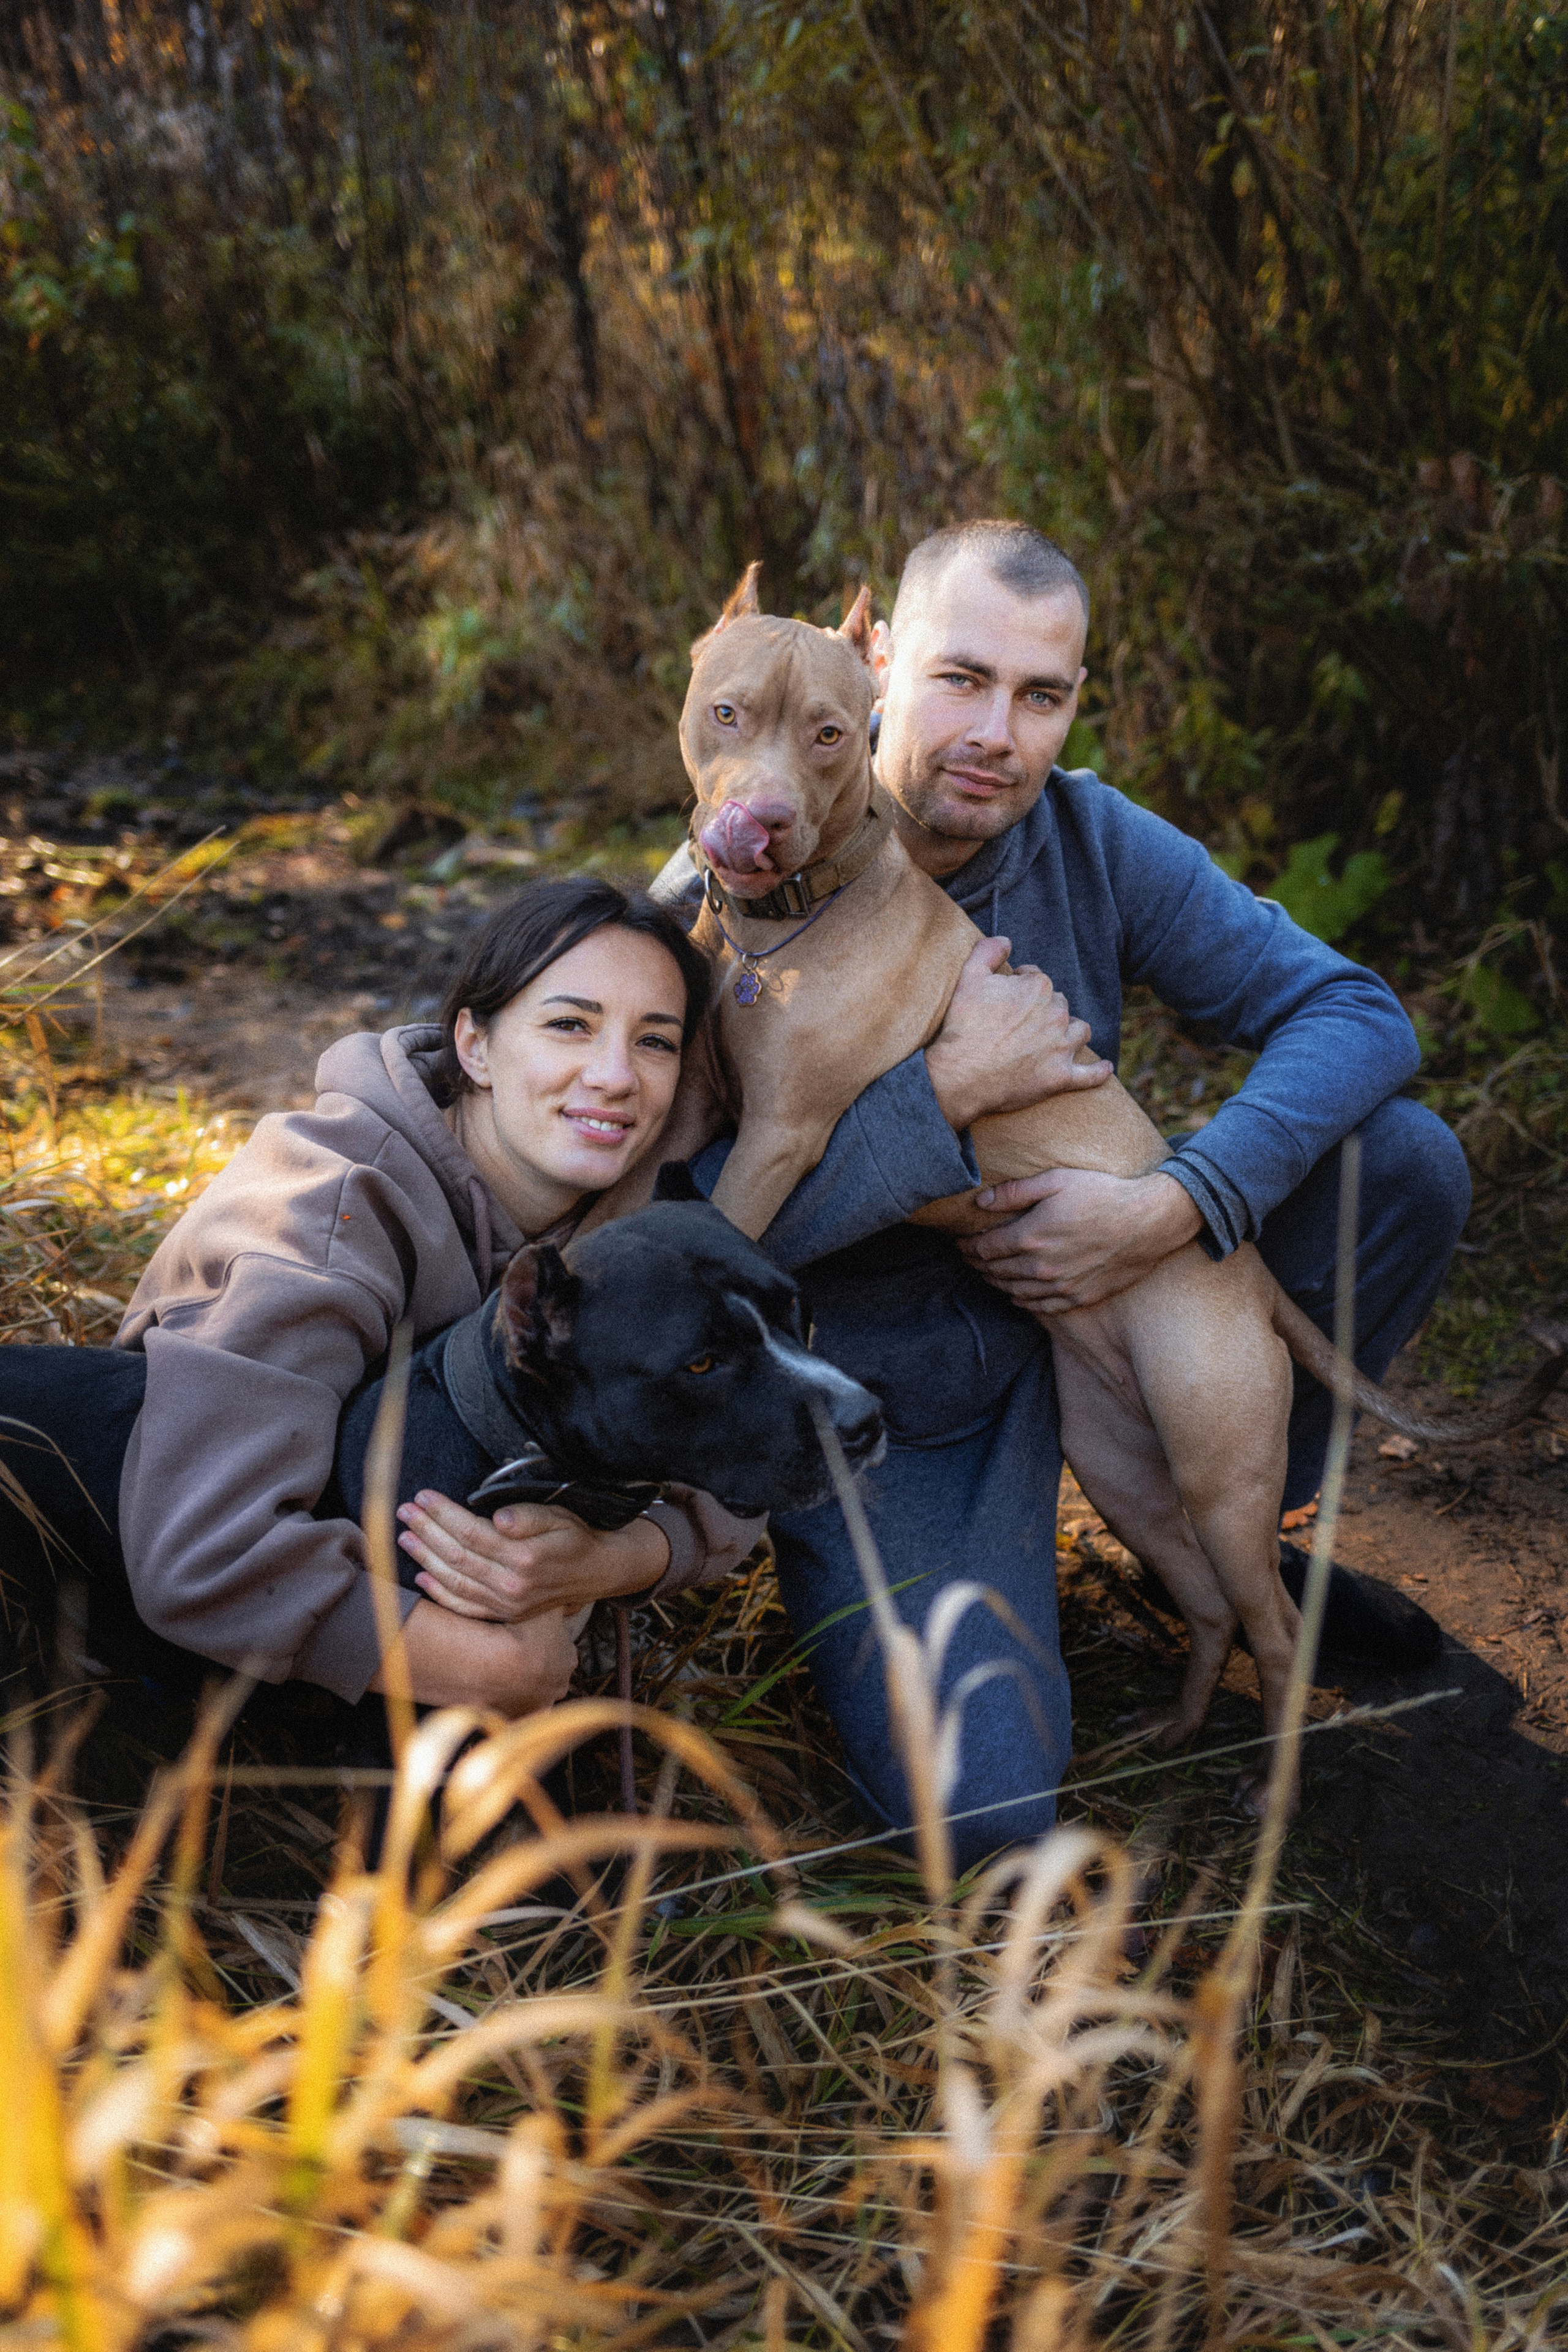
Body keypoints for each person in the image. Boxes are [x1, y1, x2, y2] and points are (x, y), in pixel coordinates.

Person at [651, 520, 1470, 1872]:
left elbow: (1358, 1015)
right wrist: (940, 1104)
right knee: (977, 1817)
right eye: (962, 680)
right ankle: (1111, 1558)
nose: (1000, 734)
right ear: (879, 665)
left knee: (1405, 1162)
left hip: (1119, 1292)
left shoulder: (1089, 835)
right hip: (907, 1382)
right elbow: (692, 1220)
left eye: (1044, 695)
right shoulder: (732, 884)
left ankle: (1220, 1539)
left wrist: (1174, 1203)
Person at [0, 878, 762, 1713]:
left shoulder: (629, 1236)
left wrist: (608, 1559)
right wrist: (498, 1670)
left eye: (655, 1043)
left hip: (365, 1603)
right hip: (138, 1604)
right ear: (474, 1044)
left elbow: (745, 1458)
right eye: (569, 1025)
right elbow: (203, 1555)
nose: (616, 1076)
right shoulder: (324, 1213)